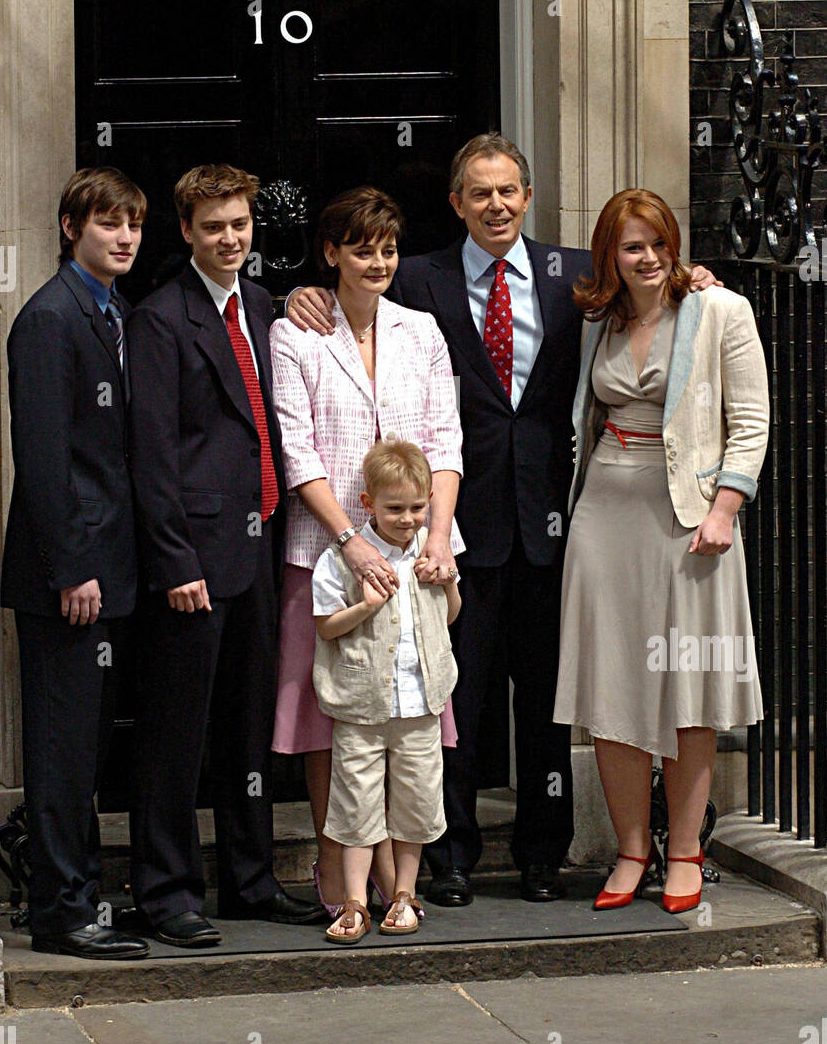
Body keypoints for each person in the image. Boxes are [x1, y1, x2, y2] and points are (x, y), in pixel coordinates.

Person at [287, 134, 718, 907]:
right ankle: (449, 855)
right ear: (456, 204)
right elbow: (351, 290)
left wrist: (696, 283)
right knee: (456, 697)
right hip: (448, 527)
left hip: (559, 521)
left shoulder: (571, 279)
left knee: (547, 697)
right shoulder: (418, 276)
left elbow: (651, 296)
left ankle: (541, 853)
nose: (496, 205)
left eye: (509, 190)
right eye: (479, 193)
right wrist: (296, 293)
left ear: (527, 197)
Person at [553, 189, 768, 912]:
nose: (647, 258)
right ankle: (630, 852)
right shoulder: (596, 318)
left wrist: (725, 507)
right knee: (611, 689)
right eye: (631, 246)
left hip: (691, 524)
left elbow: (753, 421)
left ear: (674, 246)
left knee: (688, 688)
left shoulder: (720, 312)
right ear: (609, 255)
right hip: (604, 517)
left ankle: (683, 851)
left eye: (658, 243)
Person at [125, 164, 321, 948]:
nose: (230, 238)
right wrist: (175, 561)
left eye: (239, 224)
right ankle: (166, 891)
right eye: (214, 228)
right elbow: (151, 453)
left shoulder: (266, 305)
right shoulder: (160, 319)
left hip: (259, 550)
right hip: (193, 565)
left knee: (247, 730)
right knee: (177, 733)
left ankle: (250, 879)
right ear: (186, 232)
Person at [270, 186, 464, 916]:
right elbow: (298, 448)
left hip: (418, 550)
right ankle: (338, 865)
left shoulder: (421, 329)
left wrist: (438, 533)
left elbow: (446, 439)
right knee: (335, 717)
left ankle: (397, 879)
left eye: (387, 248)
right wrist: (349, 542)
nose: (377, 261)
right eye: (361, 248)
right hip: (324, 549)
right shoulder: (296, 333)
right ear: (331, 253)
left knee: (408, 712)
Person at [0, 167, 150, 959]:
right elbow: (45, 457)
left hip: (109, 569)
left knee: (88, 744)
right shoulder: (50, 319)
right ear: (71, 228)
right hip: (70, 577)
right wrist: (72, 567)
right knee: (62, 748)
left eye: (132, 224)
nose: (123, 237)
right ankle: (62, 911)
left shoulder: (113, 312)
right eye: (106, 224)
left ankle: (81, 893)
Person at [313, 441, 461, 944]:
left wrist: (449, 582)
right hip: (360, 706)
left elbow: (450, 614)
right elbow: (326, 627)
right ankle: (356, 900)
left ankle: (404, 893)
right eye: (395, 508)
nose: (408, 518)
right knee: (356, 804)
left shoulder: (434, 546)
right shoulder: (342, 559)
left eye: (418, 508)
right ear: (367, 502)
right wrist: (366, 606)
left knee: (416, 801)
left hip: (419, 705)